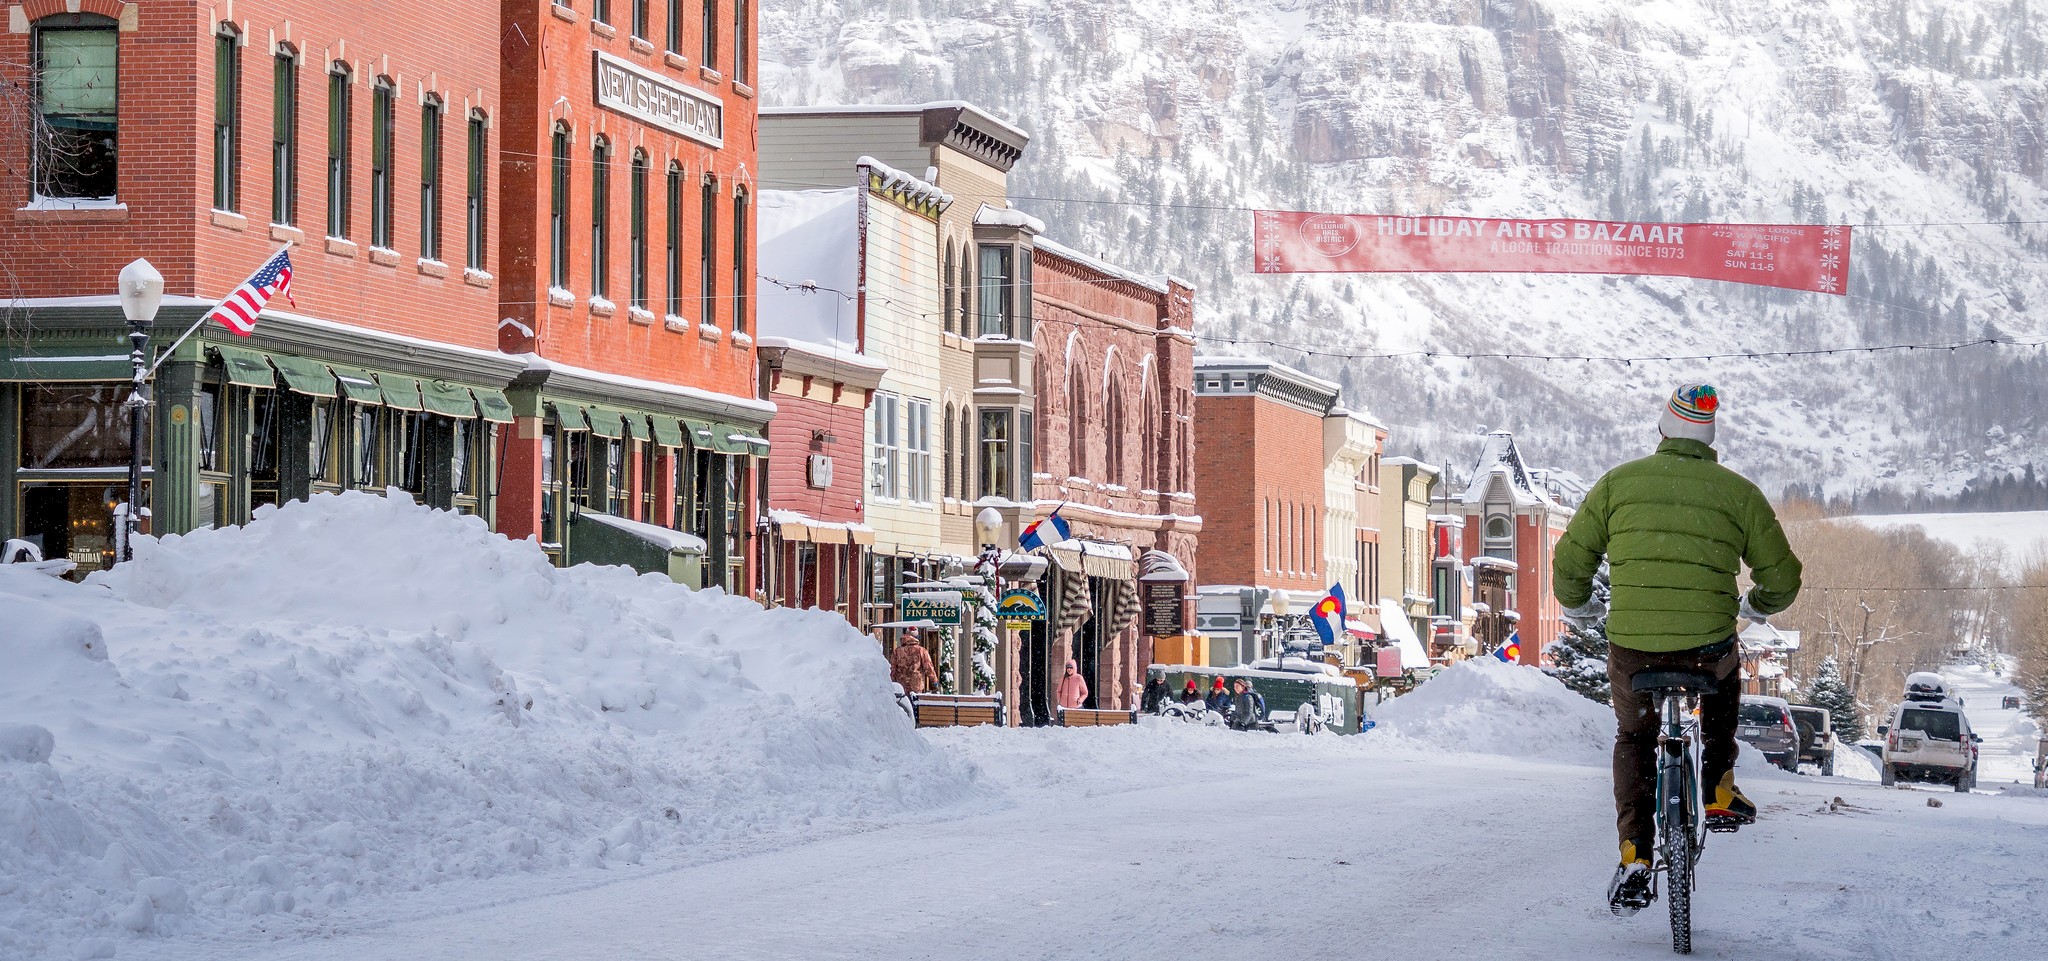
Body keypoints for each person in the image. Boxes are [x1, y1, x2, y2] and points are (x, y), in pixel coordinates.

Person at [1553, 384, 1802, 917]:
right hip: (1705, 648)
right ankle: (1716, 785)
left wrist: (1579, 606)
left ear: (1663, 431)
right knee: (1723, 686)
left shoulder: (1618, 484)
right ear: (1710, 438)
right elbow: (1783, 578)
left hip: (1634, 650)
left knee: (1634, 736)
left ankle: (1636, 852)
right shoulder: (1739, 494)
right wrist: (1755, 606)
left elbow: (1570, 563)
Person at [889, 630, 939, 695]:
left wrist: (891, 682)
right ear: (916, 637)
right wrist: (934, 682)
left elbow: (892, 669)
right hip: (916, 685)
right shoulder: (921, 650)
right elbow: (929, 668)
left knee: (902, 703)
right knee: (915, 703)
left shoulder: (897, 651)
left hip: (901, 685)